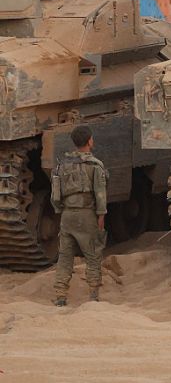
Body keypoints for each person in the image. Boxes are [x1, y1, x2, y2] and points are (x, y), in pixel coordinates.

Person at [51, 125, 108, 306]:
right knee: (93, 254)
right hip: (87, 215)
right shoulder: (95, 165)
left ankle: (60, 295)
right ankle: (93, 295)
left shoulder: (62, 165)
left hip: (67, 215)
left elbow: (55, 196)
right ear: (90, 141)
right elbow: (100, 194)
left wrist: (62, 211)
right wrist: (101, 217)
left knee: (65, 256)